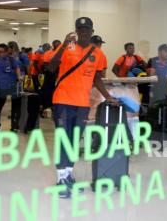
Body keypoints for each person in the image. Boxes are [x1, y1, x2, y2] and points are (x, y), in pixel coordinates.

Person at [48, 17, 118, 199]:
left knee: (73, 140)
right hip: (63, 100)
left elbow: (96, 78)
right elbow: (50, 67)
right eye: (80, 29)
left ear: (92, 31)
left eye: (87, 29)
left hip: (82, 104)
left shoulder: (98, 54)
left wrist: (108, 97)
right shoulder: (68, 47)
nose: (84, 32)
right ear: (76, 31)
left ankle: (69, 175)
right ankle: (60, 179)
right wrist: (63, 45)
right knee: (64, 139)